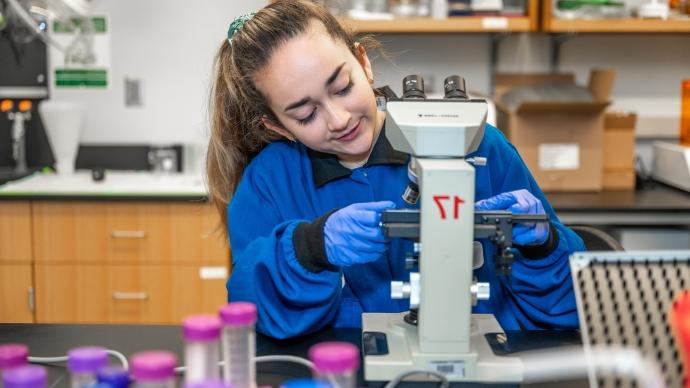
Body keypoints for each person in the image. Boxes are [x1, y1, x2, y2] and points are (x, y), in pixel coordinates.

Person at [206, 0, 586, 340]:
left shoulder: (478, 144)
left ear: (364, 63)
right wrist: (311, 247)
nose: (339, 119)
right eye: (306, 114)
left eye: (341, 87)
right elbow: (251, 312)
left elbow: (571, 305)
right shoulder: (269, 182)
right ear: (276, 126)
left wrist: (545, 245)